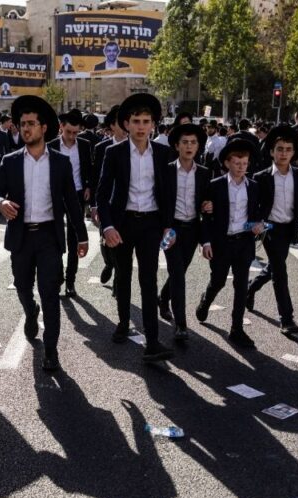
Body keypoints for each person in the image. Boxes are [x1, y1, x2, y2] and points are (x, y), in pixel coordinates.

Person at [0, 95, 89, 371]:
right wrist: (1, 203)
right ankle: (30, 311)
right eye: (22, 124)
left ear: (44, 127)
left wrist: (82, 237)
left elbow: (72, 201)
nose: (25, 129)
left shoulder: (60, 162)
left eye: (31, 124)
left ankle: (50, 350)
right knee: (23, 287)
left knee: (50, 293)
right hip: (21, 237)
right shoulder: (10, 161)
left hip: (49, 236)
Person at [97, 93, 175, 362]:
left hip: (151, 224)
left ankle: (152, 341)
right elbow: (102, 194)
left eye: (146, 121)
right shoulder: (114, 152)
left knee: (149, 280)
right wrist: (107, 226)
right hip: (123, 223)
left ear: (153, 124)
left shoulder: (163, 153)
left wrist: (168, 227)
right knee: (123, 276)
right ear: (127, 124)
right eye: (136, 121)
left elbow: (168, 194)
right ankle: (122, 322)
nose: (141, 126)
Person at [195, 139, 267, 349]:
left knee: (241, 286)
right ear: (227, 163)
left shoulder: (253, 187)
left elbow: (259, 210)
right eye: (236, 163)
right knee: (218, 281)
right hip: (221, 242)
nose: (241, 167)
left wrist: (259, 224)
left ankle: (236, 328)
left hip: (243, 242)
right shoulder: (215, 185)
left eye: (244, 163)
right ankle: (206, 300)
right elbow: (205, 217)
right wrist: (206, 241)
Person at [245, 125, 298, 335]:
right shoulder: (261, 177)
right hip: (270, 229)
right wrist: (254, 225)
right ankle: (287, 319)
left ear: (293, 153)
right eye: (280, 149)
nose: (283, 153)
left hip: (289, 229)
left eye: (288, 149)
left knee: (276, 267)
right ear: (272, 152)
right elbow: (253, 206)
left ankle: (251, 288)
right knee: (280, 272)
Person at [158, 122, 210, 342]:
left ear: (198, 147)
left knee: (180, 271)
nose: (189, 147)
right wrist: (163, 227)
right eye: (185, 143)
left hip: (192, 230)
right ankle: (181, 324)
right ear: (177, 146)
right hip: (171, 229)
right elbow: (159, 201)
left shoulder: (205, 173)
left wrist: (210, 205)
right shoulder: (167, 170)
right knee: (178, 274)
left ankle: (163, 297)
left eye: (193, 143)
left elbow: (208, 204)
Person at [47, 108, 93, 297]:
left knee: (75, 238)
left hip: (77, 195)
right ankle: (58, 278)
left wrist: (88, 186)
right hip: (56, 197)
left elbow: (88, 167)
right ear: (61, 128)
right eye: (69, 132)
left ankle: (71, 281)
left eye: (76, 133)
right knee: (57, 238)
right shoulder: (51, 146)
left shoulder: (84, 144)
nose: (72, 136)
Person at [91, 105, 126, 287]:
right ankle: (108, 264)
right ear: (112, 126)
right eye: (121, 122)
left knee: (123, 244)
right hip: (106, 202)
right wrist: (94, 204)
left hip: (126, 205)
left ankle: (119, 283)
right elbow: (96, 177)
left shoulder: (135, 147)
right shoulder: (102, 147)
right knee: (105, 240)